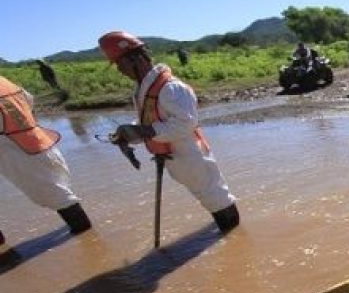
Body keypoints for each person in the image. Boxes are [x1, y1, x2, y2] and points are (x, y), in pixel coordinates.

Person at [97, 31, 240, 232]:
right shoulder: (144, 88)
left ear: (136, 59)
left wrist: (141, 131)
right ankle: (230, 236)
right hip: (174, 155)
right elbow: (152, 120)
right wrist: (130, 133)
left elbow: (185, 125)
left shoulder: (170, 88)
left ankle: (233, 238)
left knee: (215, 197)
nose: (120, 71)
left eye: (121, 65)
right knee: (207, 197)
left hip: (190, 154)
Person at [0, 75, 92, 237]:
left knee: (55, 194)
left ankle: (85, 235)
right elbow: (29, 101)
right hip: (35, 138)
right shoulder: (4, 82)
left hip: (13, 147)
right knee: (57, 188)